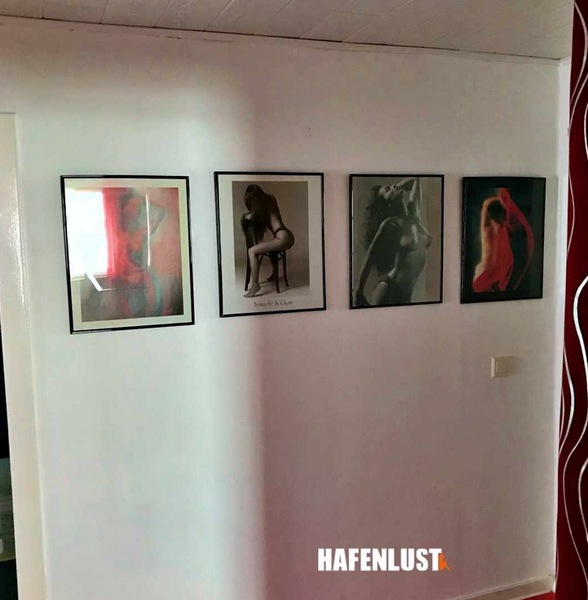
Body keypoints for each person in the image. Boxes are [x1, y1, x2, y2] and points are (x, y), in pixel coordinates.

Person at [354, 177, 432, 307]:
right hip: (390, 289)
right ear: (387, 203)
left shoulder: (414, 215)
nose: (393, 186)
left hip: (407, 293)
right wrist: (359, 291)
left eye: (392, 186)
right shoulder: (390, 224)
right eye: (387, 189)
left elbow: (415, 179)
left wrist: (393, 190)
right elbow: (370, 257)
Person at [472, 187, 534, 293]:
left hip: (487, 271)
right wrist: (502, 198)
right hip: (492, 272)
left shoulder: (488, 230)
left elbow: (486, 204)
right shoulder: (502, 230)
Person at [241, 184, 295, 298]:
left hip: (282, 238)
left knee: (251, 251)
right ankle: (275, 274)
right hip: (287, 234)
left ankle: (255, 285)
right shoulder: (271, 199)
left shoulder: (260, 209)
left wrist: (245, 216)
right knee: (271, 245)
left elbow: (248, 217)